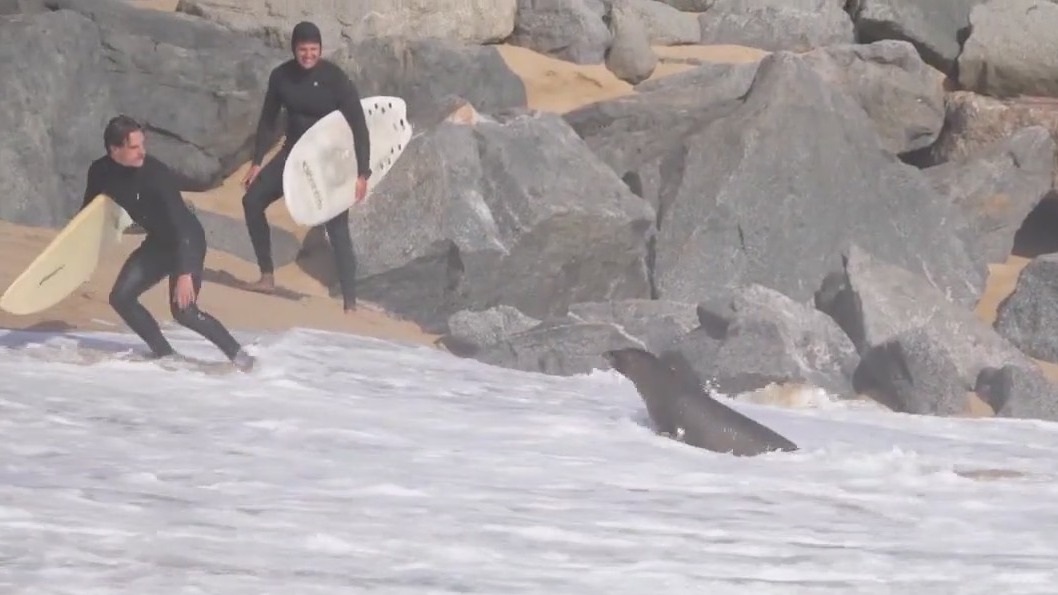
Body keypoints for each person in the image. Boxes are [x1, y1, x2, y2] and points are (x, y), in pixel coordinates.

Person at [81, 114, 255, 372]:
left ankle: (243, 360)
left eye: (143, 145)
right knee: (121, 298)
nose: (142, 152)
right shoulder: (100, 171)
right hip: (159, 242)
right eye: (134, 147)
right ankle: (165, 355)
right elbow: (87, 216)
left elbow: (181, 223)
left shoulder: (156, 174)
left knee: (184, 311)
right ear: (114, 150)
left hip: (186, 240)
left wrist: (185, 271)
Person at [240, 20, 372, 312]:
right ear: (294, 49)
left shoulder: (335, 79)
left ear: (321, 49)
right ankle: (266, 276)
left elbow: (360, 127)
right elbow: (267, 120)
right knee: (251, 201)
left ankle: (350, 302)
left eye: (314, 49)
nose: (308, 55)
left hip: (327, 161)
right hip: (293, 156)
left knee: (337, 228)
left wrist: (363, 172)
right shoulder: (281, 77)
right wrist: (258, 161)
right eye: (303, 49)